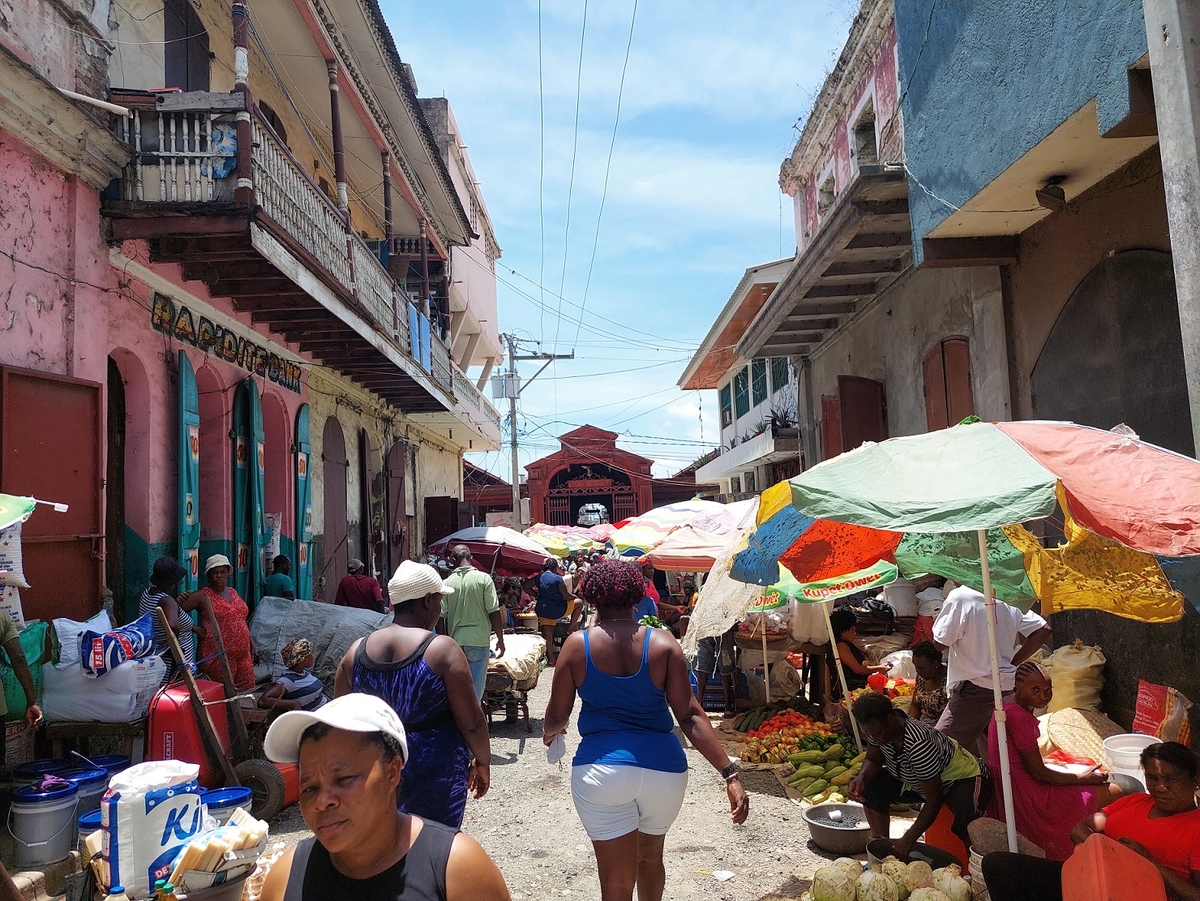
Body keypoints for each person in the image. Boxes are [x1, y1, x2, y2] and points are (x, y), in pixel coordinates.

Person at [543, 559, 749, 901]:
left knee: (616, 884)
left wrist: (551, 733)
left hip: (602, 772)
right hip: (664, 772)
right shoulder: (664, 644)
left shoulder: (578, 646)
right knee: (651, 858)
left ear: (593, 598)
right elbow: (691, 716)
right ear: (637, 597)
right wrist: (730, 773)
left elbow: (556, 716)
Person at [260, 693, 510, 901]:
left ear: (392, 773)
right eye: (309, 788)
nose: (323, 800)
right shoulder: (286, 877)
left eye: (343, 779)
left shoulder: (456, 870)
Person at [335, 560, 491, 830]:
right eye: (440, 601)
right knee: (434, 848)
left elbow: (339, 720)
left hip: (376, 771)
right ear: (428, 600)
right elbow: (472, 722)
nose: (440, 609)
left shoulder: (355, 653)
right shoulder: (442, 650)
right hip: (436, 773)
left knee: (382, 846)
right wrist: (483, 761)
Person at [982, 742, 1200, 901]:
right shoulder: (1136, 800)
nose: (1160, 787)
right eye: (1153, 778)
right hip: (1088, 873)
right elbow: (1079, 829)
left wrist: (1149, 863)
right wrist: (1113, 853)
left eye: (1171, 779)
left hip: (1134, 892)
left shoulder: (1196, 826)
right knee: (998, 865)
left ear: (1194, 781)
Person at [986, 661, 1120, 860]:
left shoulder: (1007, 704)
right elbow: (1038, 773)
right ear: (1019, 686)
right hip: (1025, 791)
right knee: (1117, 791)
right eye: (1036, 690)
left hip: (1011, 782)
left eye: (1048, 690)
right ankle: (1098, 853)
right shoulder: (1019, 717)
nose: (1043, 696)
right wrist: (1084, 779)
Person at [848, 690, 983, 858]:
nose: (874, 738)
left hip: (962, 779)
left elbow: (934, 799)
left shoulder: (918, 744)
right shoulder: (878, 730)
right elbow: (873, 760)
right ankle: (881, 849)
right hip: (916, 779)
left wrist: (908, 839)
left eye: (876, 733)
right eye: (868, 734)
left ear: (890, 719)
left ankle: (976, 872)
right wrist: (862, 777)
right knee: (870, 787)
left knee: (966, 823)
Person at [933, 585, 1050, 761]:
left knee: (937, 749)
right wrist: (1011, 664)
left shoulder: (960, 597)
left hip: (976, 688)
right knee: (997, 752)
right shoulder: (1006, 595)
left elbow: (939, 643)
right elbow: (1043, 629)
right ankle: (995, 787)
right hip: (1005, 685)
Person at [441, 545, 505, 700]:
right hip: (478, 641)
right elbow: (494, 611)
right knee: (475, 692)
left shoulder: (446, 583)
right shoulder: (484, 579)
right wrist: (500, 639)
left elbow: (441, 616)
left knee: (457, 689)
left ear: (452, 560)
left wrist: (443, 642)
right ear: (471, 558)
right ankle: (473, 720)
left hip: (455, 643)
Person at [197, 554, 258, 691]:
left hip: (243, 654)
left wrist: (251, 643)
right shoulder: (202, 595)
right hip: (217, 655)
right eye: (215, 572)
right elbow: (178, 613)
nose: (219, 576)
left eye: (222, 572)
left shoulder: (233, 592)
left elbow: (240, 619)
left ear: (227, 573)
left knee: (246, 691)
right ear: (209, 575)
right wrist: (195, 628)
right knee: (222, 693)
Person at [138, 556, 204, 671]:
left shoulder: (147, 593)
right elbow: (173, 625)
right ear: (172, 582)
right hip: (175, 664)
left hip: (157, 659)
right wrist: (171, 641)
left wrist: (192, 627)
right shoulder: (167, 601)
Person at [826, 608, 887, 702]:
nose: (855, 633)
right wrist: (879, 668)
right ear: (842, 631)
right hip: (848, 689)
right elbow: (858, 669)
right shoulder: (841, 646)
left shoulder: (845, 643)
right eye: (852, 630)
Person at [260, 638, 328, 713]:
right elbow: (263, 701)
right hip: (317, 719)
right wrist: (292, 704)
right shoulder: (289, 680)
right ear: (304, 658)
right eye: (311, 653)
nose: (313, 656)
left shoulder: (303, 673)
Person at [535, 557, 580, 666]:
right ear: (555, 567)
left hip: (542, 609)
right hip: (557, 609)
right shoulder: (558, 579)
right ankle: (570, 628)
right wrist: (574, 596)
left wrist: (536, 595)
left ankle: (551, 659)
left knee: (548, 634)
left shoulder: (538, 577)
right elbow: (565, 595)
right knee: (579, 603)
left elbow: (526, 586)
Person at [694, 627, 737, 718]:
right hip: (722, 628)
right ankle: (728, 706)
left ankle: (699, 704)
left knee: (704, 666)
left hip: (706, 628)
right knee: (725, 667)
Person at [908, 640, 949, 725]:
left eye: (921, 668)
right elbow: (915, 705)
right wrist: (910, 725)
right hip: (922, 726)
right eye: (915, 666)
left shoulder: (948, 682)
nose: (917, 670)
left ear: (935, 664)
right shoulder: (921, 677)